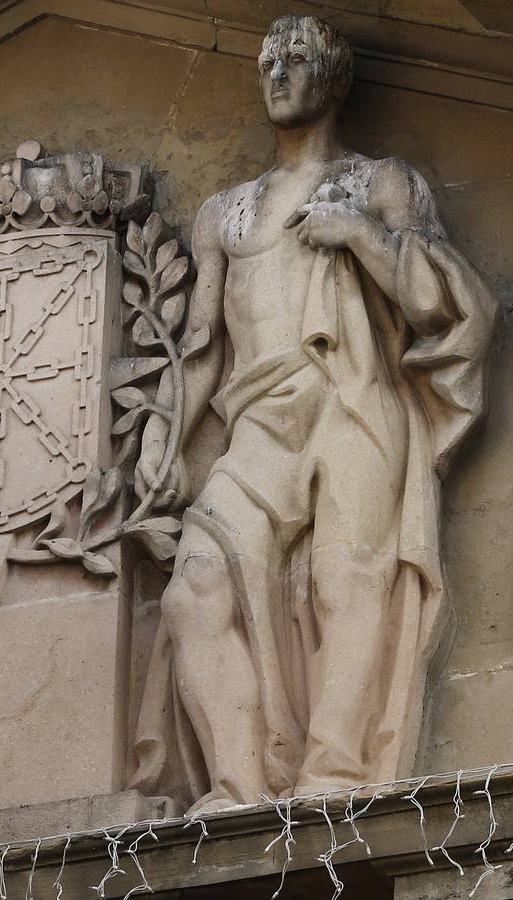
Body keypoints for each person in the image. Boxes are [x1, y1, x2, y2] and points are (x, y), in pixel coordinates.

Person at [129, 15, 497, 812]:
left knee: (347, 579)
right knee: (194, 588)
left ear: (333, 80)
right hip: (258, 424)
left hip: (353, 406)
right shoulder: (226, 211)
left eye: (297, 60)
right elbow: (200, 346)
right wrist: (160, 451)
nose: (277, 74)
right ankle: (237, 784)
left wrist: (361, 237)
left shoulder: (376, 184)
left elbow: (447, 304)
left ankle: (334, 775)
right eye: (268, 61)